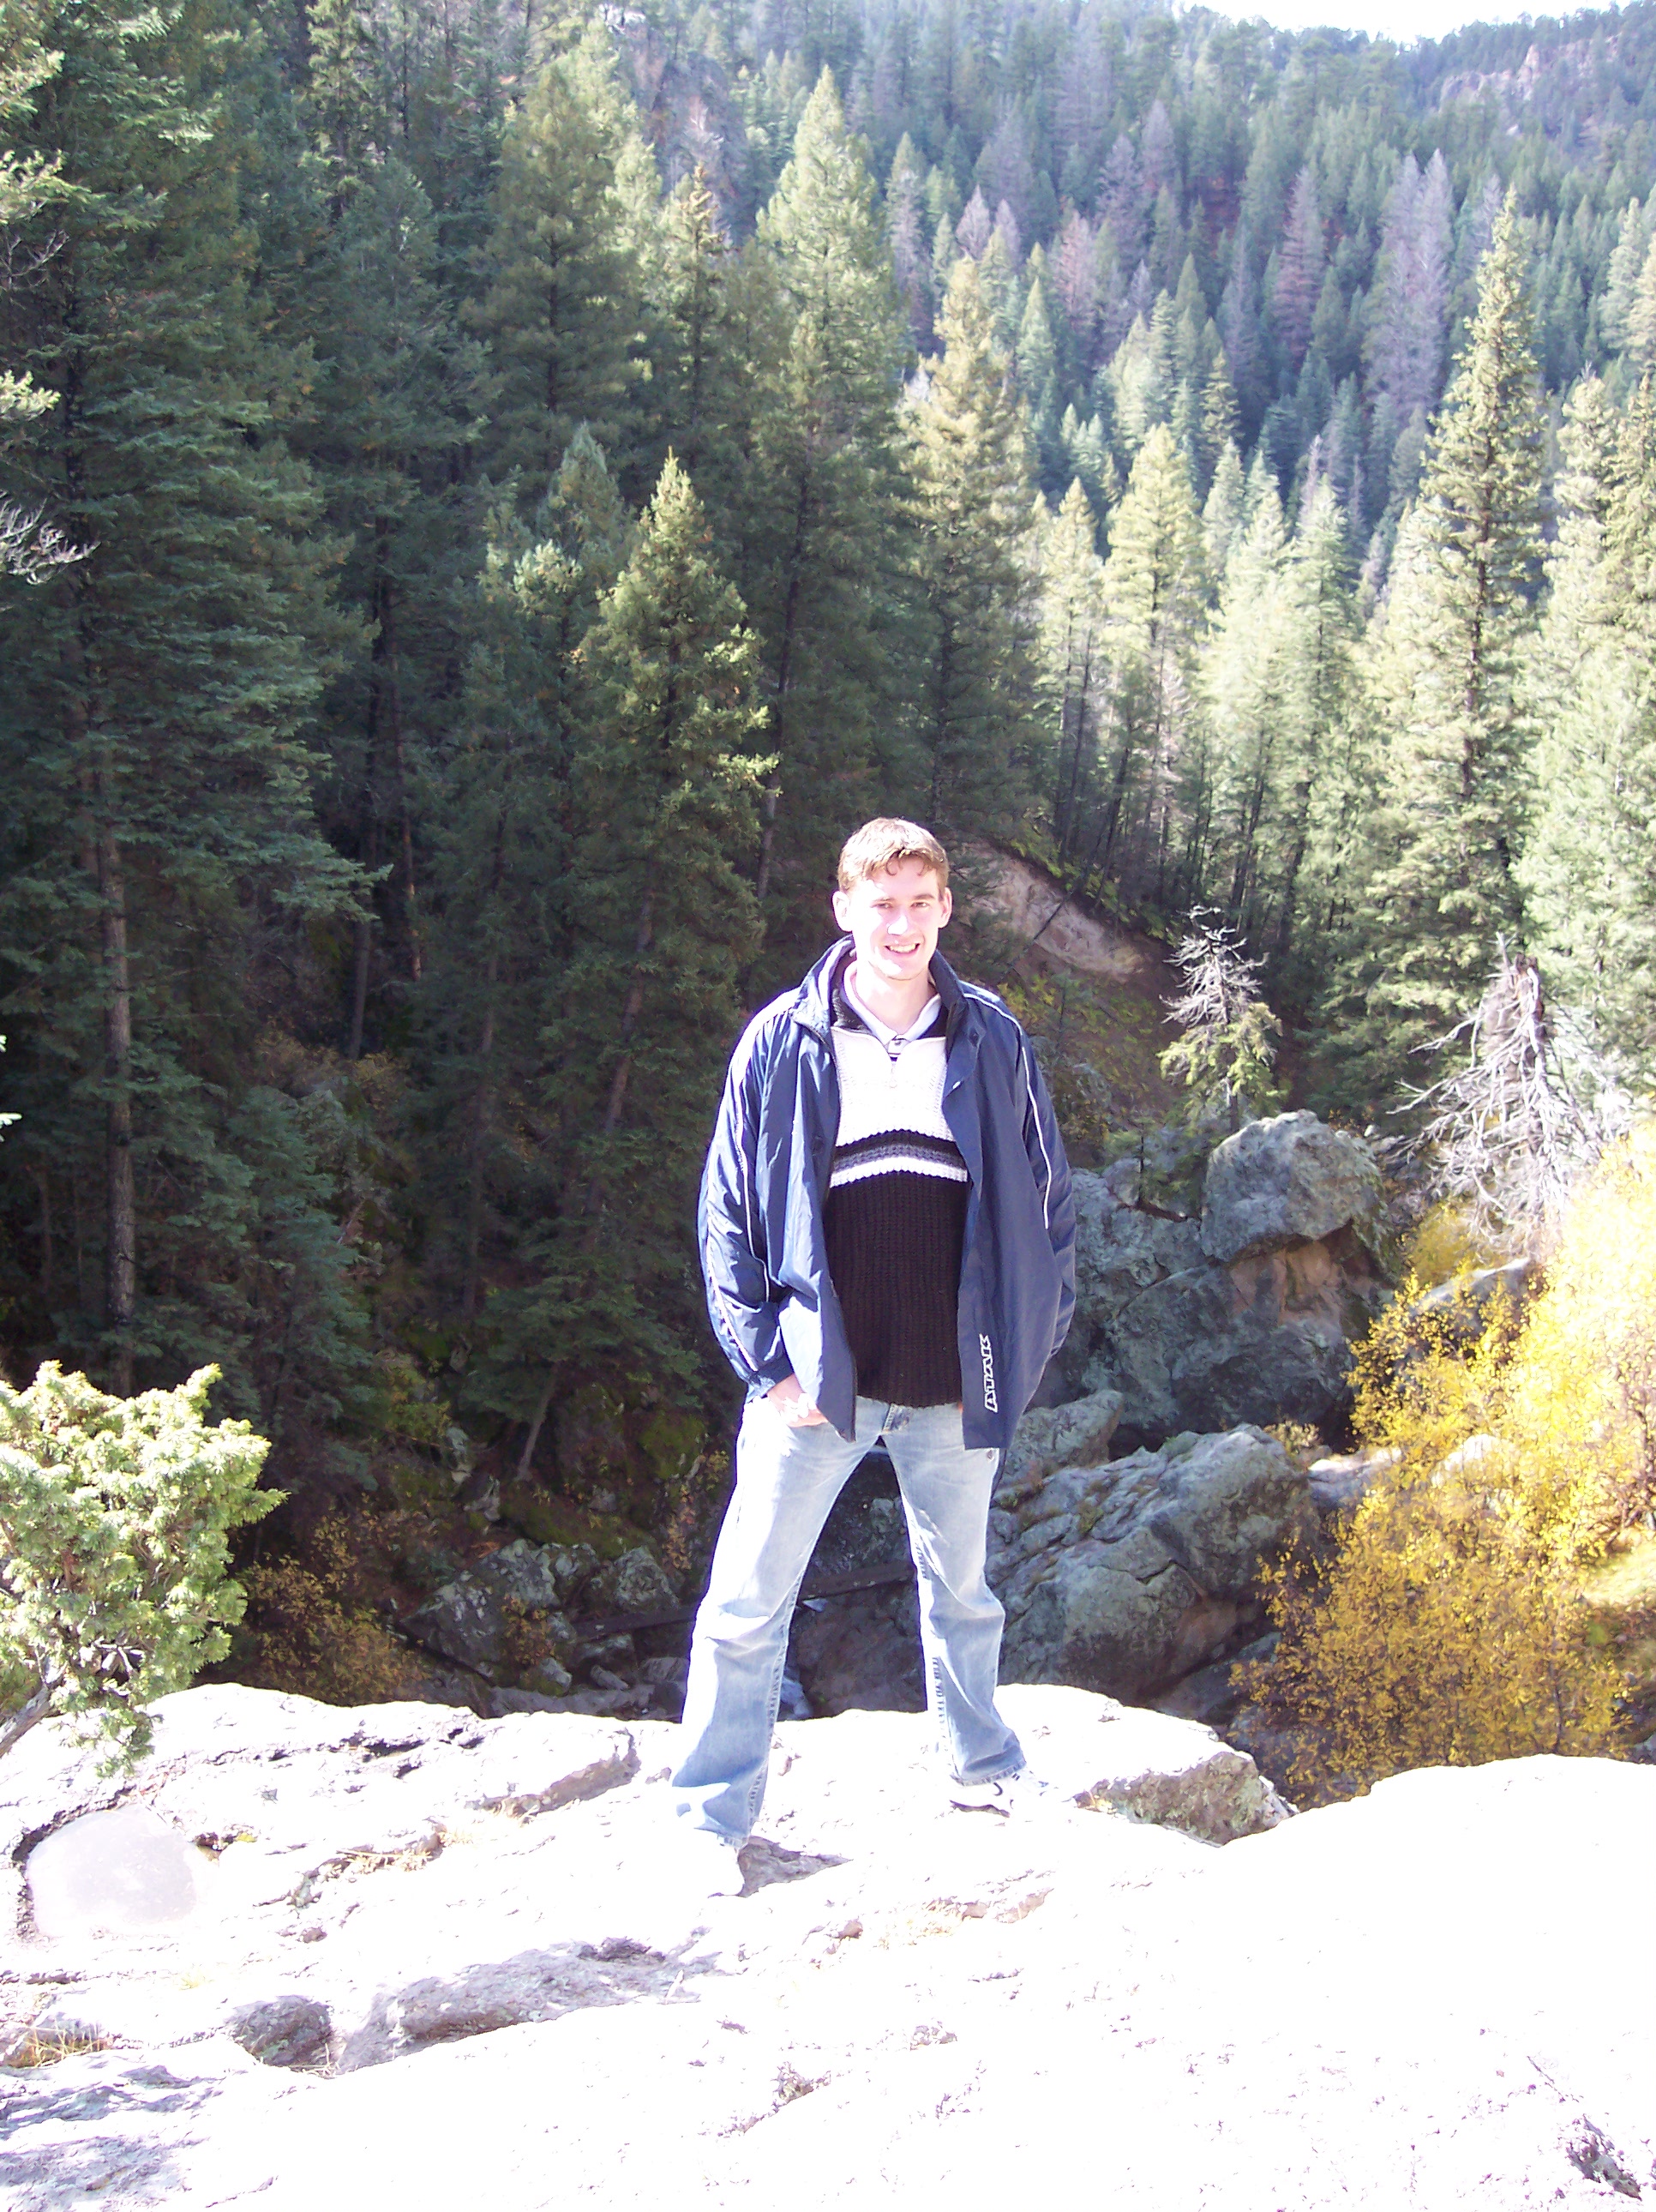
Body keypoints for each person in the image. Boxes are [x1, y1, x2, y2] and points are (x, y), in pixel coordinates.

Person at [669, 818, 1077, 1892]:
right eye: (880, 904)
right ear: (843, 908)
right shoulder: (783, 1040)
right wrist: (769, 1364)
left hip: (955, 1376)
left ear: (946, 909)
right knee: (749, 1600)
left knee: (964, 1595)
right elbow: (727, 1213)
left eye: (919, 903)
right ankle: (708, 1820)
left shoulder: (991, 1038)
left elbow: (1048, 1206)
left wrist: (1022, 1354)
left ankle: (983, 1771)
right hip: (818, 1381)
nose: (901, 925)